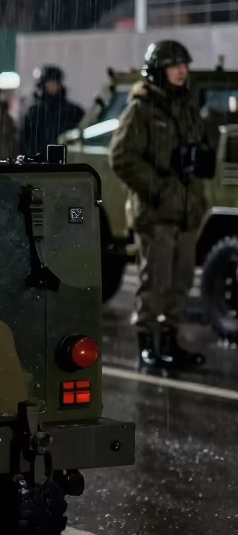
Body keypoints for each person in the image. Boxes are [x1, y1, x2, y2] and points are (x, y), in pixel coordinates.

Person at [109, 40, 216, 373]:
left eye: (184, 64)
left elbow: (199, 144)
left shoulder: (186, 106)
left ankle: (170, 343)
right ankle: (146, 346)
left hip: (185, 212)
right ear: (158, 70)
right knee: (154, 282)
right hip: (155, 214)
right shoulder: (141, 109)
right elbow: (122, 157)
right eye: (174, 65)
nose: (182, 71)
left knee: (181, 282)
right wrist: (159, 188)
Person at [19, 64, 84, 158]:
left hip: (65, 161)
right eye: (49, 82)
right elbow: (24, 141)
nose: (52, 86)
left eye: (55, 82)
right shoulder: (33, 112)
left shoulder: (72, 112)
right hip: (38, 163)